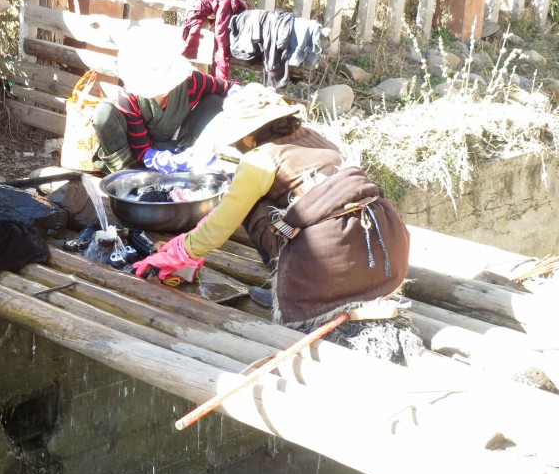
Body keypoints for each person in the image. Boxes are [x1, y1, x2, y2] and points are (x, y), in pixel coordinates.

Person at [132, 83, 416, 359]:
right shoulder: (314, 138)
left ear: (246, 136)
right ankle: (290, 281)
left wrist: (180, 251)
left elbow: (220, 227)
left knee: (251, 203)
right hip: (385, 249)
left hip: (332, 265)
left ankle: (293, 288)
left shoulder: (259, 160)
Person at [91, 25, 232, 174]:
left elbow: (227, 87)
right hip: (140, 153)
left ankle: (191, 160)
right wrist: (162, 160)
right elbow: (141, 149)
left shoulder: (190, 81)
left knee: (217, 101)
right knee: (103, 114)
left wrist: (246, 96)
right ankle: (130, 175)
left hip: (178, 146)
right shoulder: (129, 98)